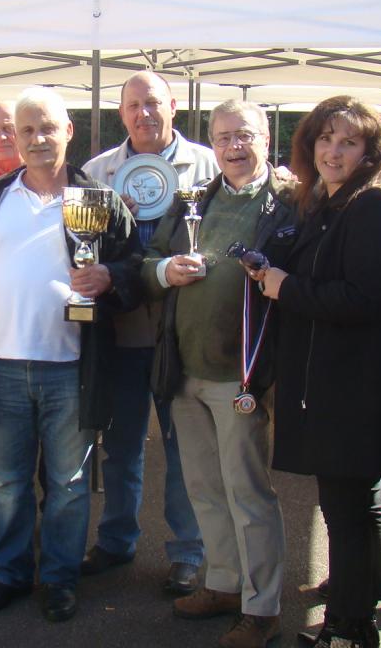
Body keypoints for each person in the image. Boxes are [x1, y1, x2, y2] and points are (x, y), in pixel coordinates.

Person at [0, 87, 140, 623]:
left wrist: (110, 276)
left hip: (72, 369)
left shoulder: (98, 199)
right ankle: (8, 573)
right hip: (1, 365)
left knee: (68, 485)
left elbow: (135, 268)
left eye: (47, 127)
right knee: (7, 482)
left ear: (68, 131)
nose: (37, 139)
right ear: (14, 138)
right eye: (26, 130)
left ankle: (59, 578)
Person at [252, 96, 381, 647]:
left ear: (370, 151)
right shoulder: (327, 202)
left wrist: (286, 287)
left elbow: (364, 298)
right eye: (325, 138)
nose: (333, 152)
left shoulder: (371, 207)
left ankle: (349, 627)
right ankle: (354, 607)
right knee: (352, 505)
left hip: (352, 386)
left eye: (348, 142)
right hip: (331, 381)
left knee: (348, 510)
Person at [145, 99, 295, 648]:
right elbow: (147, 262)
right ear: (212, 143)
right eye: (224, 137)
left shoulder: (289, 203)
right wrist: (167, 269)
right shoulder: (195, 199)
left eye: (245, 135)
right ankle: (225, 583)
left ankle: (262, 607)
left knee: (248, 493)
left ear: (266, 140)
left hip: (243, 374)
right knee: (204, 488)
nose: (234, 146)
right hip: (185, 371)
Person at [81, 70, 214, 595]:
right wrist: (115, 224)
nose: (144, 113)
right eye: (134, 105)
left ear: (173, 106)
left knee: (185, 451)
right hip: (123, 334)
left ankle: (188, 552)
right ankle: (116, 540)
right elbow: (77, 248)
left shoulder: (207, 166)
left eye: (154, 102)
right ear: (121, 113)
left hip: (185, 336)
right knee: (121, 448)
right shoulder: (97, 173)